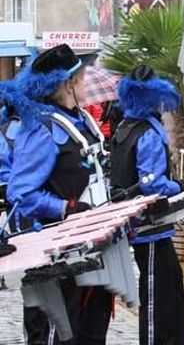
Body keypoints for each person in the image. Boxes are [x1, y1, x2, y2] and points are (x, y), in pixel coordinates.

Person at [6, 44, 112, 344]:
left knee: (90, 333)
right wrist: (65, 207)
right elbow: (21, 193)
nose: (85, 82)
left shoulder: (82, 121)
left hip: (90, 247)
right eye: (81, 77)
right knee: (59, 334)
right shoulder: (41, 129)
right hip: (57, 254)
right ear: (68, 83)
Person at [110, 65, 184, 345]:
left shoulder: (124, 126)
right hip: (149, 226)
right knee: (156, 295)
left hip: (139, 225)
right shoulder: (147, 132)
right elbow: (151, 182)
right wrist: (178, 186)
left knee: (166, 287)